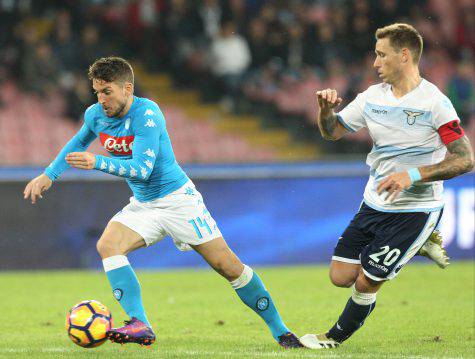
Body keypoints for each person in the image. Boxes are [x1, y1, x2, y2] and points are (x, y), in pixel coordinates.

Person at [23, 57, 303, 349]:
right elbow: (78, 142)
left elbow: (141, 169)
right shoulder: (96, 115)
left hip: (179, 202)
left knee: (228, 266)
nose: (101, 99)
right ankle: (139, 323)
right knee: (108, 245)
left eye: (107, 92)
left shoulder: (148, 115)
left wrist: (97, 161)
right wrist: (49, 175)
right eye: (97, 92)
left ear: (127, 88)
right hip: (144, 204)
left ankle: (281, 331)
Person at [300, 23, 474, 349]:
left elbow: (465, 159)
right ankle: (420, 247)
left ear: (404, 55)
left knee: (367, 282)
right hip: (375, 202)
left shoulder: (435, 103)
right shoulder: (371, 98)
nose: (375, 63)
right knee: (339, 277)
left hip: (415, 210)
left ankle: (333, 338)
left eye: (381, 55)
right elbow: (332, 132)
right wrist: (326, 112)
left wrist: (414, 175)